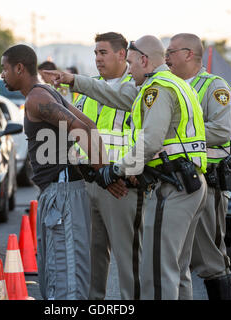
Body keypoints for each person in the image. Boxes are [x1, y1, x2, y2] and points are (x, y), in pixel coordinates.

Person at [45, 35, 208, 300]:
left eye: (131, 63)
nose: (129, 70)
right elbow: (111, 94)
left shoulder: (157, 89)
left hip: (173, 185)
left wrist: (117, 169)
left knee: (157, 271)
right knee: (176, 270)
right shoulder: (169, 85)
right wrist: (73, 80)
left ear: (144, 60)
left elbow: (151, 140)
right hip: (187, 181)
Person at [0, 44, 115, 300]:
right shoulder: (46, 92)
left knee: (64, 280)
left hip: (62, 193)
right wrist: (102, 170)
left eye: (4, 69)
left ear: (19, 68)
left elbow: (83, 130)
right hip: (61, 191)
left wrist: (104, 173)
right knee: (56, 273)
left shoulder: (37, 98)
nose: (2, 75)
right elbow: (90, 125)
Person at [73, 32, 144, 300]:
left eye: (103, 53)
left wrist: (124, 173)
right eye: (95, 53)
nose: (98, 59)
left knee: (129, 258)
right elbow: (76, 135)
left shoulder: (137, 88)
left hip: (120, 187)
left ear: (121, 54)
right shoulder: (88, 87)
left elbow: (143, 137)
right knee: (91, 256)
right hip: (89, 183)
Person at [165, 33, 231, 300]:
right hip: (177, 182)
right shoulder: (170, 85)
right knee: (178, 258)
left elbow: (222, 130)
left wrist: (176, 131)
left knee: (210, 257)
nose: (167, 57)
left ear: (189, 54)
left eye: (171, 52)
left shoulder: (214, 86)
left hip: (210, 181)